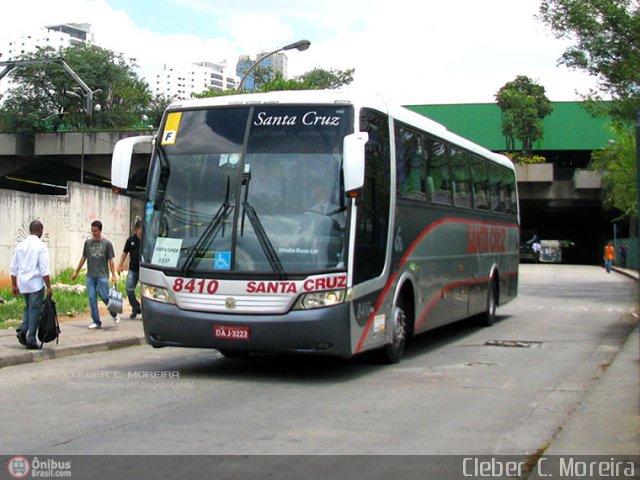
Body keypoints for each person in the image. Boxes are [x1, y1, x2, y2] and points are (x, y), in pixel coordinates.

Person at [10, 220, 53, 349]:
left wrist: (14, 285)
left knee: (29, 307)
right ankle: (31, 338)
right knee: (35, 310)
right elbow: (44, 269)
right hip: (36, 284)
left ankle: (23, 329)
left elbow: (13, 267)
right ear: (39, 230)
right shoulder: (41, 246)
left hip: (23, 283)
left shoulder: (21, 245)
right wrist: (49, 286)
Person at [71, 220, 119, 328]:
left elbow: (111, 260)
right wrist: (76, 271)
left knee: (104, 296)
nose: (93, 233)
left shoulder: (107, 243)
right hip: (90, 276)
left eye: (95, 231)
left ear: (100, 230)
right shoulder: (88, 243)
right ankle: (96, 321)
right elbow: (84, 257)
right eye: (92, 231)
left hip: (102, 275)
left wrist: (114, 274)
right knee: (92, 298)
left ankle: (114, 313)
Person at [117, 219, 142, 319]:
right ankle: (136, 307)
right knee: (129, 289)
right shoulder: (131, 240)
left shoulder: (148, 240)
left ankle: (145, 313)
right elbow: (125, 253)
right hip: (133, 269)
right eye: (140, 230)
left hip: (145, 270)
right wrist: (120, 265)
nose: (142, 232)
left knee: (146, 292)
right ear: (136, 230)